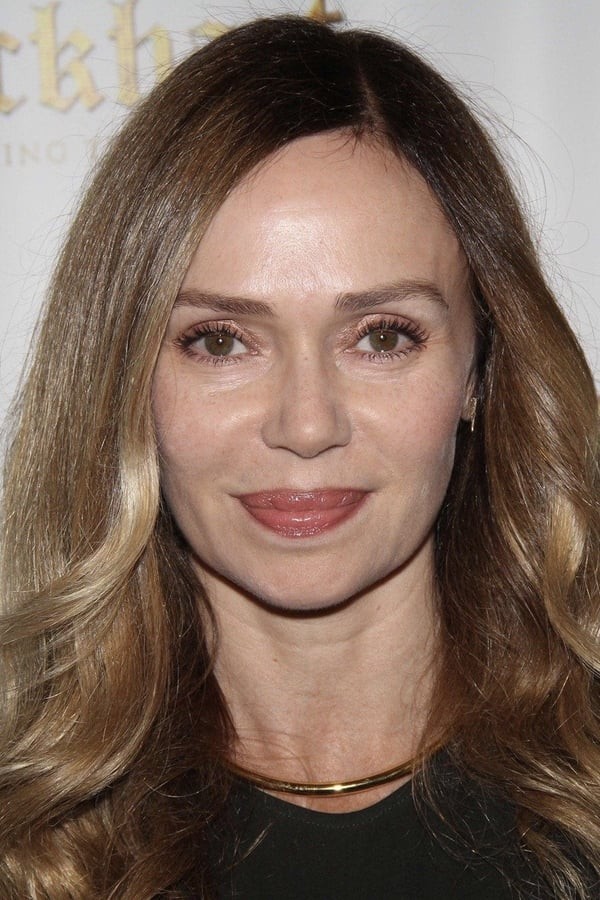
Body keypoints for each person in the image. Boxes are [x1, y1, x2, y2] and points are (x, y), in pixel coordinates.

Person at [0, 14, 598, 899]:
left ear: (482, 370)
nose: (307, 424)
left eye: (383, 336)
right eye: (220, 341)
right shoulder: (26, 832)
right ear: (123, 379)